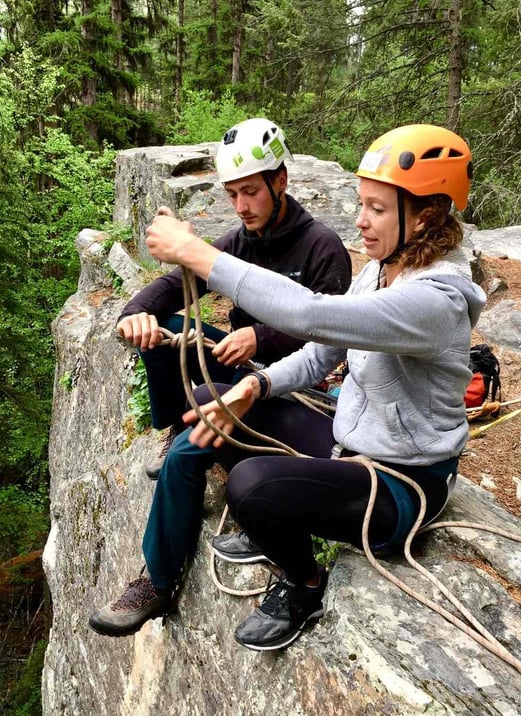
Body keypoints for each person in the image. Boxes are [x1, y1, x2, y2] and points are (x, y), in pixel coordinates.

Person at [89, 124, 486, 653]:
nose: (360, 221)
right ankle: (184, 563)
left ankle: (303, 582)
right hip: (353, 448)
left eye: (377, 209)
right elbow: (324, 352)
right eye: (361, 205)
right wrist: (255, 387)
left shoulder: (436, 299)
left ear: (427, 215)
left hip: (400, 485)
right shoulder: (383, 271)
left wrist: (196, 253)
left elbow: (309, 314)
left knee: (251, 486)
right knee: (212, 403)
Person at [117, 117, 352, 478]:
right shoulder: (239, 241)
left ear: (280, 181)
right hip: (239, 360)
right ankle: (175, 428)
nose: (241, 206)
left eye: (250, 191)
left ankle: (208, 436)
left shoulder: (323, 248)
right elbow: (173, 287)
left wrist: (259, 337)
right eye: (232, 194)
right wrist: (134, 313)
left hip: (293, 380)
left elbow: (333, 332)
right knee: (163, 328)